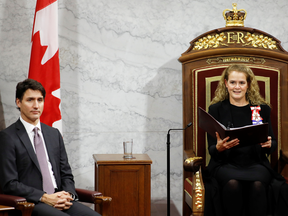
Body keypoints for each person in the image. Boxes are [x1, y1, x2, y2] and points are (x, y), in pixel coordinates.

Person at [0, 79, 101, 216]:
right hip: (32, 203)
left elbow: (66, 174)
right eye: (30, 100)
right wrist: (45, 197)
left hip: (59, 198)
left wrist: (67, 195)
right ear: (18, 102)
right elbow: (10, 184)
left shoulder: (53, 134)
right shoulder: (7, 137)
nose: (36, 105)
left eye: (40, 100)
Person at [205, 64, 286, 216]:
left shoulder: (261, 109)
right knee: (232, 183)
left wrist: (269, 144)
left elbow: (273, 143)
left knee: (257, 184)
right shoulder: (216, 109)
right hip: (226, 165)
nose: (237, 87)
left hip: (256, 164)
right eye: (233, 82)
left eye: (242, 83)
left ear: (248, 85)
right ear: (226, 83)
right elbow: (212, 148)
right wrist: (219, 148)